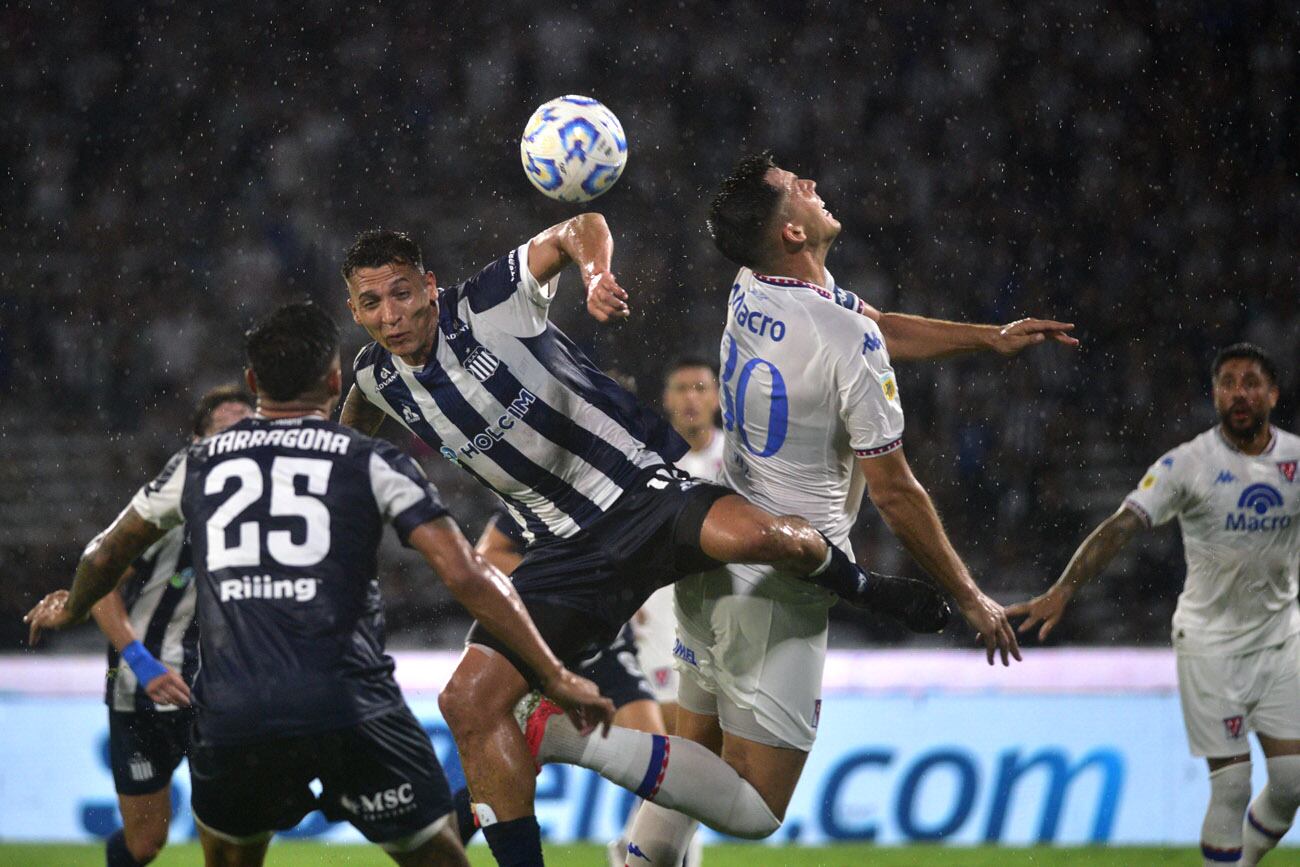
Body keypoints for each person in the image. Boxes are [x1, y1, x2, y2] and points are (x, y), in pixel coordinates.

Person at [337, 221, 959, 866]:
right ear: (355, 311)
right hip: (562, 552)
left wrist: (596, 273)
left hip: (642, 494)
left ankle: (865, 588)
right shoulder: (377, 376)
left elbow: (583, 226)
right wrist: (342, 472)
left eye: (403, 294)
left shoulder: (487, 303)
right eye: (373, 304)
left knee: (772, 537)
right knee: (466, 702)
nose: (393, 315)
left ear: (430, 288)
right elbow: (351, 423)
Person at [24, 302, 612, 867]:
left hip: (238, 710)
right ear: (335, 381)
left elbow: (103, 554)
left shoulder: (199, 464)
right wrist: (554, 672)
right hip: (351, 705)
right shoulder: (369, 460)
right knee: (436, 857)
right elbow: (465, 572)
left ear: (253, 379)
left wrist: (73, 607)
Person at [614, 151, 1072, 864]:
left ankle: (634, 856)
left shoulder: (749, 286)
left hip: (713, 552)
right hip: (784, 581)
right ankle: (570, 738)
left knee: (687, 762)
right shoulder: (839, 336)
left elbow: (875, 322)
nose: (812, 185)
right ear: (792, 233)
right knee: (757, 803)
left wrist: (990, 337)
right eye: (795, 188)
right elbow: (895, 490)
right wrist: (972, 595)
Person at [1009, 343, 1300, 867]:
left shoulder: (1296, 462)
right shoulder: (1188, 464)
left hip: (1281, 639)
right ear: (1214, 395)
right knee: (1232, 785)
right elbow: (1121, 525)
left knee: (1292, 783)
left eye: (1251, 382)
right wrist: (1065, 589)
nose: (1239, 393)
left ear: (1273, 395)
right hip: (1210, 643)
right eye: (1228, 382)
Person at [90, 384, 253, 867]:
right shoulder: (168, 508)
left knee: (230, 831)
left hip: (223, 690)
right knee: (146, 844)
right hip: (146, 686)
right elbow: (100, 585)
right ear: (196, 444)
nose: (236, 443)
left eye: (247, 432)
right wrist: (142, 664)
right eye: (224, 432)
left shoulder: (268, 511)